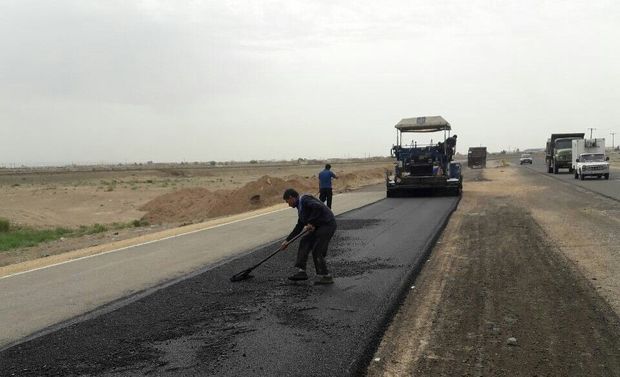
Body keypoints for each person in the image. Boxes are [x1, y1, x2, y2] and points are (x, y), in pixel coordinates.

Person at [281, 188, 337, 285]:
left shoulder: (305, 199)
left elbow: (318, 207)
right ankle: (301, 272)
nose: (288, 205)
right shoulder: (300, 207)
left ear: (291, 198)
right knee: (305, 241)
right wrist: (287, 241)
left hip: (327, 224)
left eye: (287, 201)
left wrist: (311, 222)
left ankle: (326, 276)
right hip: (318, 227)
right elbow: (299, 226)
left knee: (317, 249)